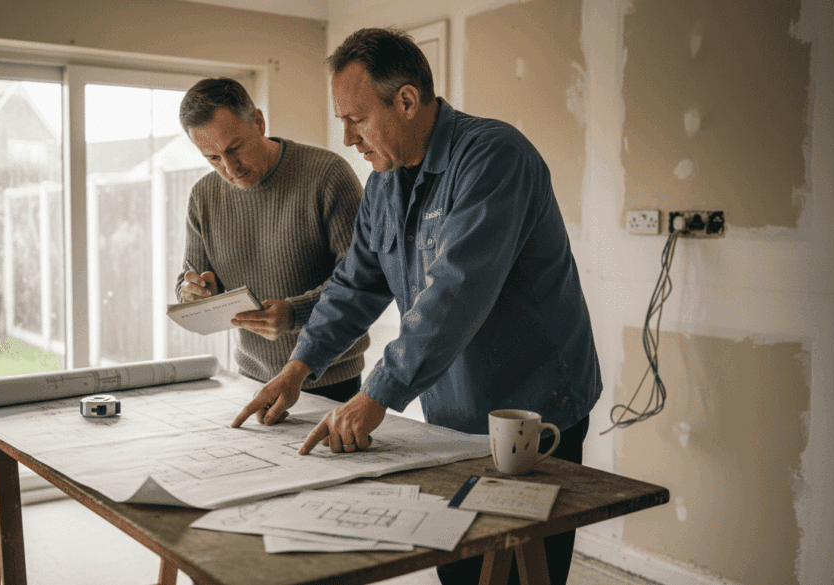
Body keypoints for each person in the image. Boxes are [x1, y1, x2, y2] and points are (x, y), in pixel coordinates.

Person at [230, 28, 602, 585]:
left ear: (405, 100)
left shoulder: (493, 157)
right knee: (460, 566)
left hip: (535, 404)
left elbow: (455, 293)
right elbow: (354, 285)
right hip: (452, 406)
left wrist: (376, 392)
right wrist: (297, 368)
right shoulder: (384, 182)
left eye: (357, 119)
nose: (350, 138)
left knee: (524, 571)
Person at [176, 77, 368, 405]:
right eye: (213, 158)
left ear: (259, 122)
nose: (229, 168)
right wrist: (193, 292)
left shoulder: (328, 175)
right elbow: (188, 282)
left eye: (234, 149)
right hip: (250, 378)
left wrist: (296, 313)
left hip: (329, 380)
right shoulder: (203, 196)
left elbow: (363, 280)